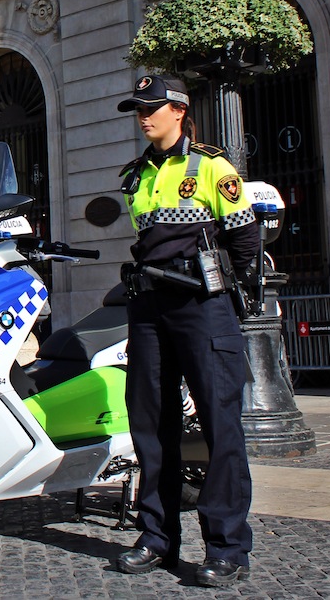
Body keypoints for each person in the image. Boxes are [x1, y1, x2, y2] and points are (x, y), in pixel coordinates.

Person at [114, 75, 259, 588]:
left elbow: (244, 237)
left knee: (220, 429)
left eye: (151, 107)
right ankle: (157, 536)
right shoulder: (135, 177)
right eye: (138, 108)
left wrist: (238, 293)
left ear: (179, 109)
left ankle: (227, 548)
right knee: (151, 427)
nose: (143, 116)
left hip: (202, 306)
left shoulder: (211, 166)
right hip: (151, 308)